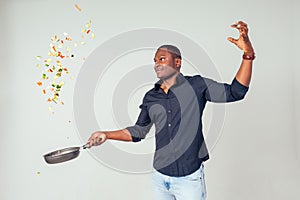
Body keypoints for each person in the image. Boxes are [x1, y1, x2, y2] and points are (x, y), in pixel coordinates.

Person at [87, 21, 255, 200]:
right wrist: (105, 134)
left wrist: (248, 55)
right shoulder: (151, 96)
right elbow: (138, 132)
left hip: (189, 179)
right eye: (155, 61)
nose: (156, 64)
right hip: (160, 178)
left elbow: (236, 92)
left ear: (177, 62)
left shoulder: (197, 86)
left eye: (161, 59)